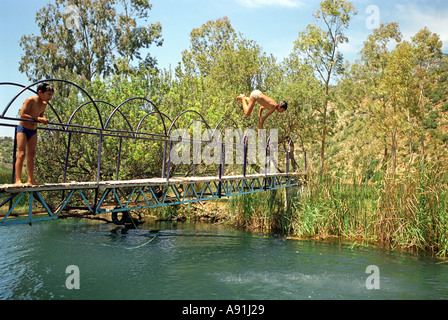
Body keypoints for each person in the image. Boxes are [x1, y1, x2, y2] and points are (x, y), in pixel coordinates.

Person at [14, 82, 53, 186]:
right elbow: (22, 115)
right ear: (40, 92)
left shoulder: (44, 104)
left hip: (33, 130)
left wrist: (42, 120)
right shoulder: (30, 100)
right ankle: (18, 180)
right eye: (48, 94)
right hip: (23, 129)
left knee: (31, 155)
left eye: (51, 95)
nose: (50, 97)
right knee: (21, 154)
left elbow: (40, 116)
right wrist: (38, 118)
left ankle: (30, 180)